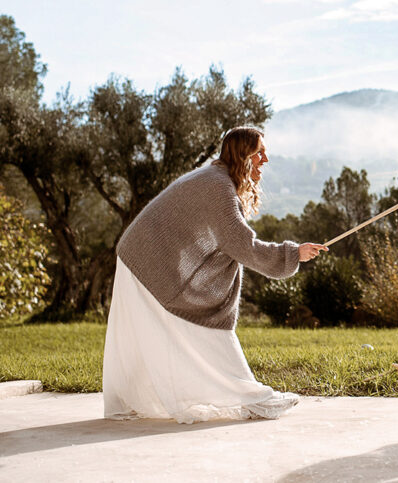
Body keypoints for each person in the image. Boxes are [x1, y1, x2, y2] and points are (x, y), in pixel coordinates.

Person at [103, 126, 327, 423]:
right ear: (242, 155)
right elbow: (241, 244)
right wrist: (292, 253)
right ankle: (255, 399)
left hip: (142, 259)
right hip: (144, 261)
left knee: (178, 334)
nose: (266, 159)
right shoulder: (217, 186)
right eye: (259, 152)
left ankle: (247, 397)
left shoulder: (217, 179)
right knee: (201, 331)